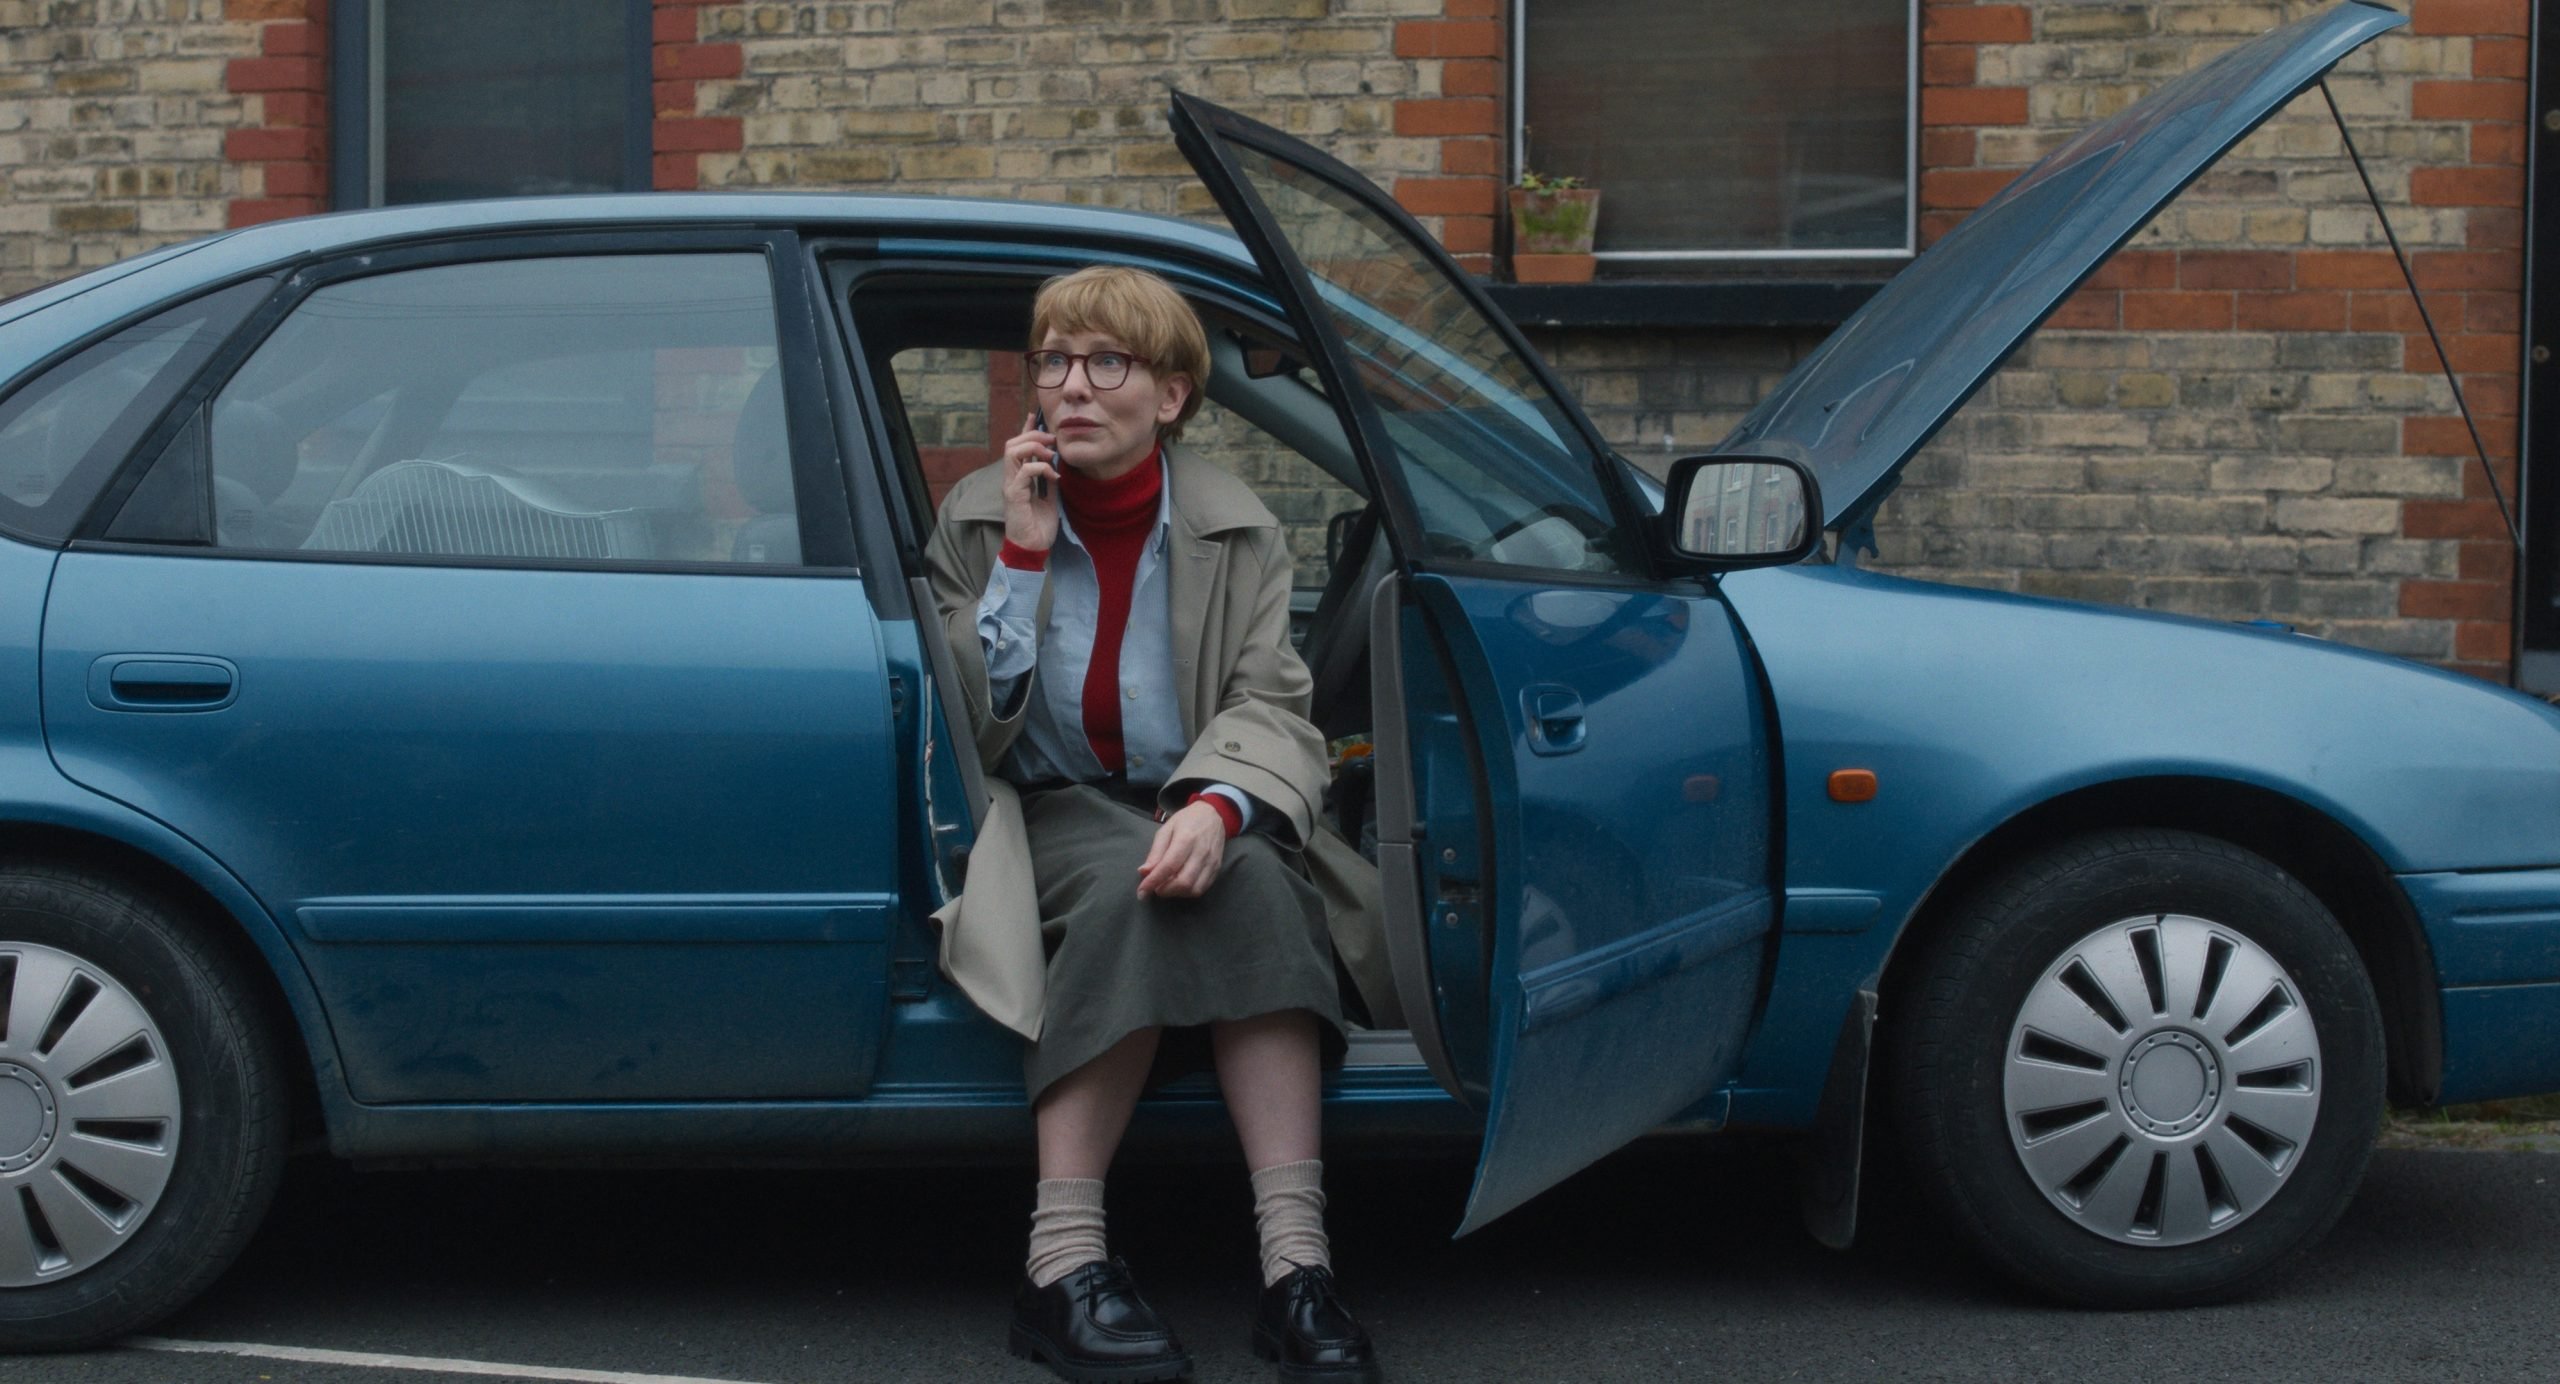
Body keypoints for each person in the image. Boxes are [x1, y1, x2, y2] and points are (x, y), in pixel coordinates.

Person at [923, 265, 1385, 1384]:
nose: (1071, 387)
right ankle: (1062, 1260)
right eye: (1053, 361)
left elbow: (1269, 703)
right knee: (1135, 890)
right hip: (1043, 804)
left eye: (1106, 363)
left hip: (1191, 791)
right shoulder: (982, 514)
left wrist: (1221, 806)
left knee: (1270, 894)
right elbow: (960, 720)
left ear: (1170, 395)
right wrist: (1025, 554)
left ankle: (1296, 1272)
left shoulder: (1236, 526)